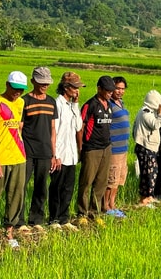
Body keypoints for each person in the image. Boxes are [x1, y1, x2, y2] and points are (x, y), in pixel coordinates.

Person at [0, 71, 28, 248]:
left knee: (16, 196)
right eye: (15, 88)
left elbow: (19, 128)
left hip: (19, 157)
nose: (18, 92)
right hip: (0, 158)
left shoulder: (21, 102)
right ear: (7, 85)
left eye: (21, 90)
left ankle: (9, 232)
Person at [17, 67, 58, 233]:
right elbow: (19, 129)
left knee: (41, 187)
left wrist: (54, 154)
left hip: (45, 152)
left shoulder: (51, 102)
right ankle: (19, 222)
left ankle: (36, 220)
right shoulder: (25, 101)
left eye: (47, 82)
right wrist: (19, 150)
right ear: (33, 81)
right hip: (26, 151)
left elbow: (53, 129)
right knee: (21, 186)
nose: (45, 85)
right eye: (41, 82)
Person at [48, 72, 85, 231]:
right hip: (60, 154)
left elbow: (78, 126)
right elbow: (53, 130)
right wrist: (54, 155)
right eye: (75, 87)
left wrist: (76, 104)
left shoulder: (71, 105)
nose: (77, 90)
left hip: (71, 154)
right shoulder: (57, 104)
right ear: (66, 87)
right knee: (56, 187)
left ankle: (64, 218)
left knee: (68, 187)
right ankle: (53, 219)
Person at [76, 76, 115, 223]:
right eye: (107, 91)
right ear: (99, 88)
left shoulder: (109, 105)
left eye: (111, 91)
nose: (110, 93)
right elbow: (81, 126)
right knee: (86, 181)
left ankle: (95, 212)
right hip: (92, 149)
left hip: (106, 148)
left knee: (101, 182)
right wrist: (80, 147)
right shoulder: (90, 105)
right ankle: (82, 213)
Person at [133, 90, 161, 206]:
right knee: (148, 173)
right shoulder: (146, 113)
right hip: (146, 147)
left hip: (149, 147)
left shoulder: (148, 112)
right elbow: (156, 125)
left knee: (152, 172)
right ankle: (144, 199)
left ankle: (149, 196)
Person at [104, 76, 130, 218]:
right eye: (117, 88)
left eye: (122, 88)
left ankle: (113, 204)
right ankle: (106, 206)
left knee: (119, 179)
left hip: (123, 147)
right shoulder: (108, 104)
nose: (120, 91)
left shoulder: (121, 103)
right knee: (111, 179)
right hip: (114, 148)